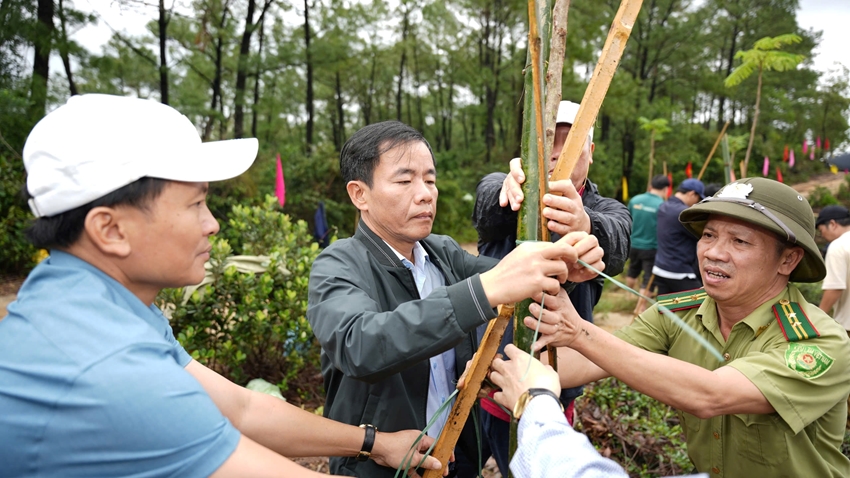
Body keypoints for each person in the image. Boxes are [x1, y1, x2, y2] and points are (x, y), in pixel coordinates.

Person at [0, 94, 449, 478]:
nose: (212, 224)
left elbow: (242, 410)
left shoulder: (82, 300)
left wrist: (375, 442)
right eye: (196, 204)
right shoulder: (109, 372)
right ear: (110, 230)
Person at [306, 120, 605, 477]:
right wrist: (485, 289)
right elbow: (360, 345)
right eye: (405, 181)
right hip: (377, 466)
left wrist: (565, 268)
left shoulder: (441, 253)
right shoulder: (338, 263)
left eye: (430, 180)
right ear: (360, 194)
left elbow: (515, 276)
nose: (425, 194)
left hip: (453, 460)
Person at [525, 178, 850, 477]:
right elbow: (576, 366)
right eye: (708, 235)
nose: (713, 253)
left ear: (788, 261)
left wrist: (580, 332)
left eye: (739, 241)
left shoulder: (820, 342)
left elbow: (711, 394)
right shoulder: (677, 313)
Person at [471, 100, 631, 476]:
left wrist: (584, 224)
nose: (558, 152)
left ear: (590, 152)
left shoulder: (608, 209)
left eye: (571, 142)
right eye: (548, 141)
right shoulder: (509, 191)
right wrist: (511, 188)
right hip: (481, 377)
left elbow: (617, 243)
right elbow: (487, 202)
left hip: (552, 384)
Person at [651, 178, 705, 294]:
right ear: (691, 194)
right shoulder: (684, 213)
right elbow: (701, 236)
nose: (697, 202)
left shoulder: (664, 206)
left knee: (666, 309)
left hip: (660, 268)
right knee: (701, 305)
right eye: (698, 198)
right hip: (679, 271)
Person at [626, 174, 670, 302]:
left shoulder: (635, 200)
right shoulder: (662, 206)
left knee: (632, 270)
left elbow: (627, 220)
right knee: (648, 278)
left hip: (633, 244)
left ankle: (628, 296)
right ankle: (641, 306)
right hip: (651, 247)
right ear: (665, 189)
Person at [816, 205, 850, 335]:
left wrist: (818, 318)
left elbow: (835, 287)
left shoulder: (838, 246)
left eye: (821, 230)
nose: (822, 235)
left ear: (832, 224)